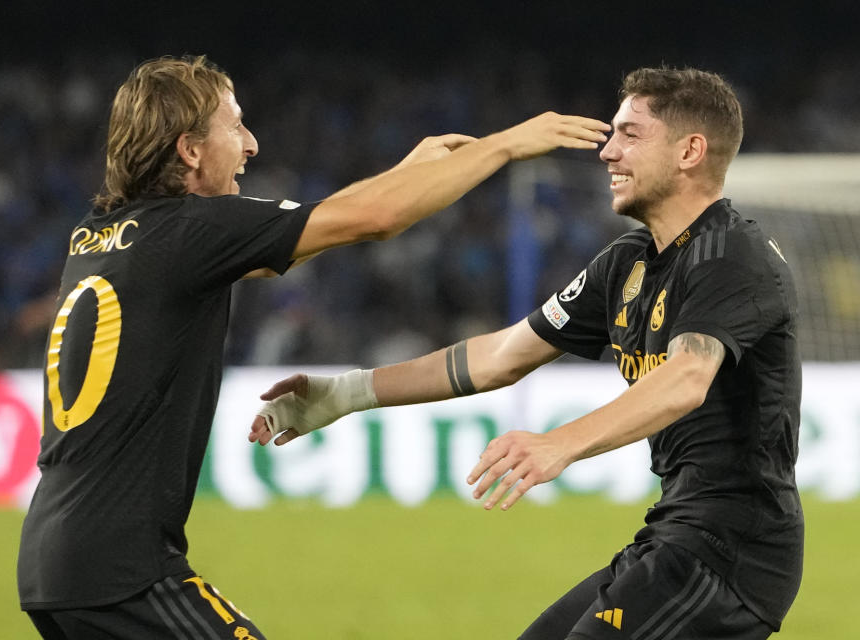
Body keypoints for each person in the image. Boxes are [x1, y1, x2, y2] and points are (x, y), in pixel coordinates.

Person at [15, 54, 610, 640]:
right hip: (120, 569)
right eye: (234, 126)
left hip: (54, 555)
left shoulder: (102, 236)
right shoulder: (194, 229)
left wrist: (406, 172)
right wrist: (503, 145)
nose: (250, 145)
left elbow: (310, 232)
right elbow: (373, 218)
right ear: (190, 150)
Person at [251, 67, 802, 640]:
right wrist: (344, 393)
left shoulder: (732, 254)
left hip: (733, 555)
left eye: (630, 135)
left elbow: (687, 378)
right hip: (676, 538)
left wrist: (558, 443)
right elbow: (500, 356)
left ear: (691, 151)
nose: (608, 152)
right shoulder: (630, 261)